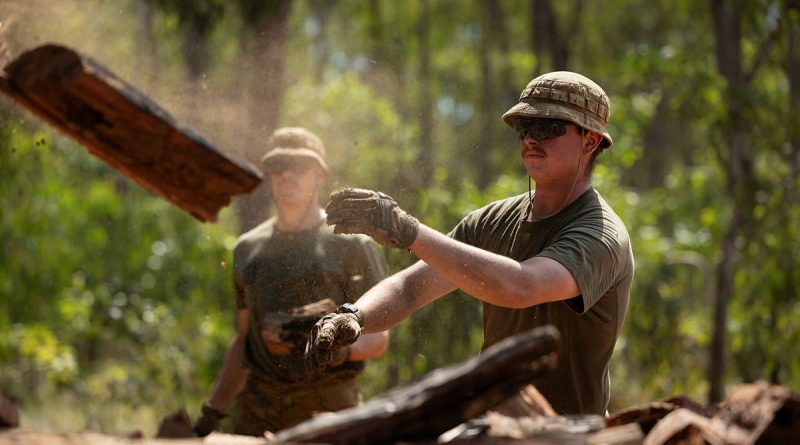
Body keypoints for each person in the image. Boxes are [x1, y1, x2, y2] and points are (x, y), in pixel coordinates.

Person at [306, 71, 634, 415]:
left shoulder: (600, 234)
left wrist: (407, 230)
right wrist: (354, 316)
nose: (530, 139)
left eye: (548, 127)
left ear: (590, 141)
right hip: (494, 428)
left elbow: (521, 285)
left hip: (571, 435)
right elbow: (410, 288)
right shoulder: (492, 222)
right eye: (524, 127)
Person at [194, 127, 390, 436]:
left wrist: (337, 349)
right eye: (277, 167)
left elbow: (379, 338)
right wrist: (213, 411)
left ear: (320, 173)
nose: (287, 175)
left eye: (299, 166)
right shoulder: (248, 249)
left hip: (330, 415)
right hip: (258, 415)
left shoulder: (351, 244)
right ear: (268, 175)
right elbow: (245, 341)